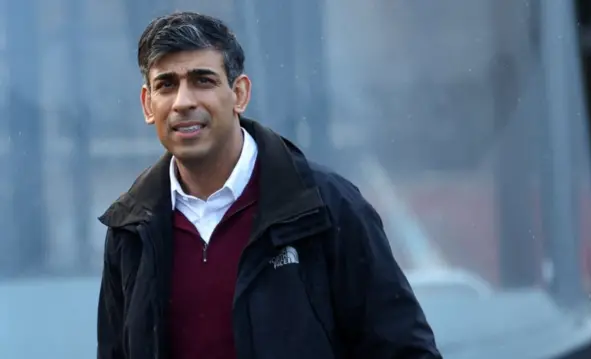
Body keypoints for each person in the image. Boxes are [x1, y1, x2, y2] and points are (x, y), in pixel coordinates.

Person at [97, 11, 442, 359]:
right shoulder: (130, 230)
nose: (184, 102)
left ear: (240, 94)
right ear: (147, 104)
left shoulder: (328, 207)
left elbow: (405, 351)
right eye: (166, 85)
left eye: (203, 80)